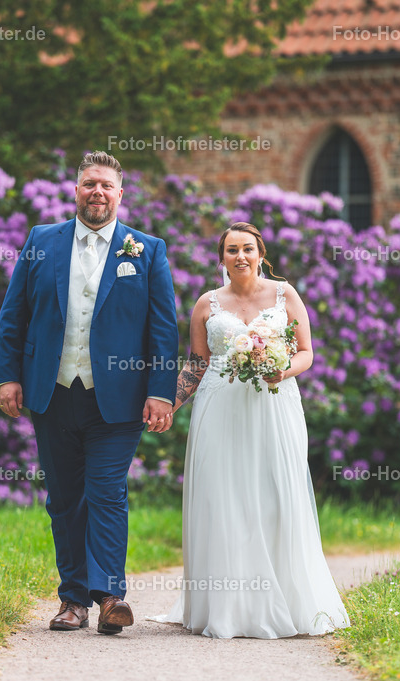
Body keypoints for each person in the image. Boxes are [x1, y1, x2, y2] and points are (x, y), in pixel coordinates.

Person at [0, 151, 178, 635]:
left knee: (107, 492)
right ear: (76, 190)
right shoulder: (42, 241)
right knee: (64, 498)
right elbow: (14, 316)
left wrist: (162, 391)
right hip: (52, 392)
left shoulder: (148, 249)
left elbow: (163, 330)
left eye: (107, 186)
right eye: (89, 184)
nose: (98, 192)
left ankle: (111, 596)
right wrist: (6, 377)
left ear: (121, 194)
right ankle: (73, 599)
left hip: (117, 397)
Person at [150, 222, 350, 639]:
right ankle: (226, 605)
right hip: (218, 409)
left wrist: (283, 369)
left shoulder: (284, 294)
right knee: (223, 496)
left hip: (274, 407)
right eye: (231, 250)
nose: (240, 257)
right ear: (221, 258)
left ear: (261, 254)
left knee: (275, 494)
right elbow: (198, 363)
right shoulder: (207, 304)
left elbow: (308, 352)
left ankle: (286, 599)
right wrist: (169, 402)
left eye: (247, 249)